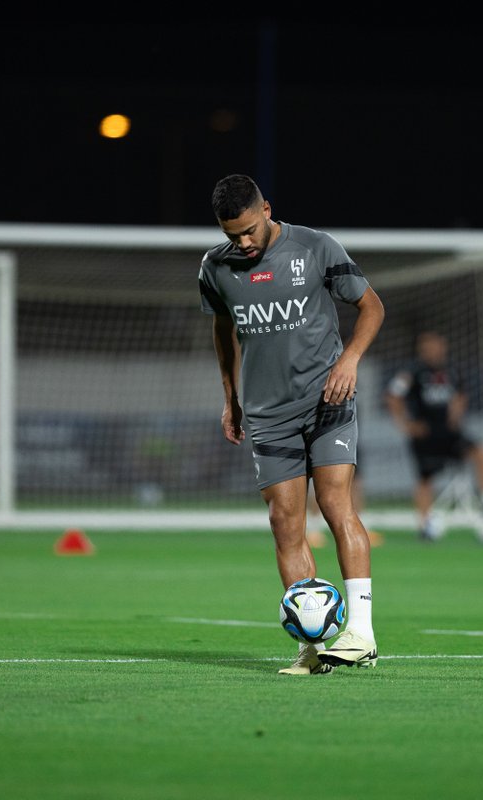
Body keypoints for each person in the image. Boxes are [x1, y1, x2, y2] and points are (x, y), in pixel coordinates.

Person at [199, 174, 385, 675]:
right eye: (231, 234)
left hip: (327, 398)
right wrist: (230, 398)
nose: (242, 242)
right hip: (267, 413)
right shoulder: (215, 268)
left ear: (267, 210)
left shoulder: (316, 247)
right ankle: (310, 647)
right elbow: (223, 328)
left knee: (335, 505)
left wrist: (349, 361)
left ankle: (361, 635)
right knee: (285, 523)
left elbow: (371, 306)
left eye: (249, 230)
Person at [385, 330, 483, 541]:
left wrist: (456, 413)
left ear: (443, 346)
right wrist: (406, 425)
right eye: (427, 345)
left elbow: (461, 395)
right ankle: (425, 525)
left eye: (435, 345)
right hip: (424, 433)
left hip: (450, 433)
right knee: (425, 478)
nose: (432, 349)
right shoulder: (411, 371)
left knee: (482, 452)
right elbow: (392, 396)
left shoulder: (452, 370)